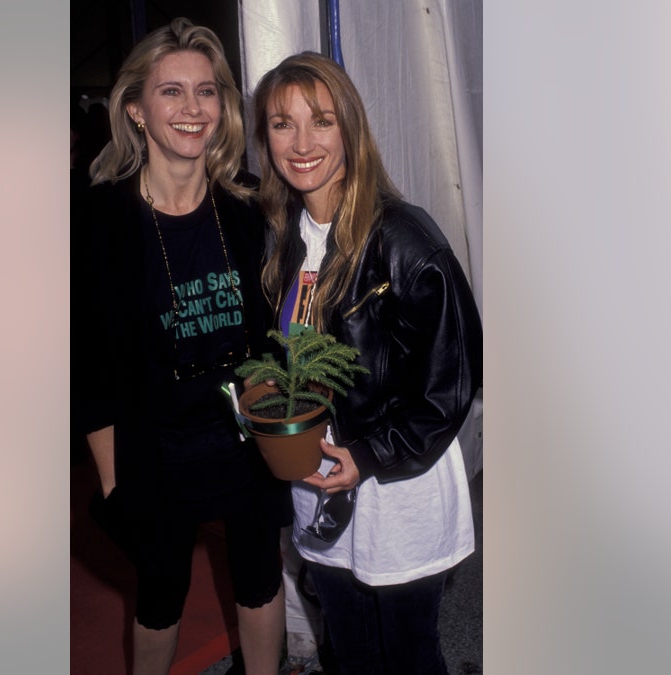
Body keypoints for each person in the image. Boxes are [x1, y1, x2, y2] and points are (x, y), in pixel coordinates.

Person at [251, 52, 482, 674]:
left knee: (408, 657)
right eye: (281, 124)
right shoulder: (282, 237)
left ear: (350, 128)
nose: (301, 143)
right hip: (319, 484)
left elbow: (452, 385)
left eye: (320, 121)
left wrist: (373, 454)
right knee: (348, 653)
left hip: (397, 487)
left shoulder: (405, 238)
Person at [75, 18, 290, 675]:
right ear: (136, 110)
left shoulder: (250, 208)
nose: (192, 109)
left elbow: (280, 328)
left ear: (223, 108)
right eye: (171, 92)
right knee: (161, 596)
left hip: (245, 428)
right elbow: (87, 362)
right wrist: (113, 481)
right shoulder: (101, 219)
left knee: (260, 575)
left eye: (206, 91)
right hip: (155, 440)